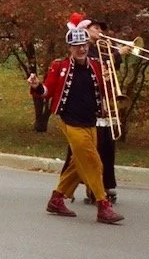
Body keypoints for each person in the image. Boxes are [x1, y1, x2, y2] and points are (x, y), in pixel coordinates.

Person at [28, 27, 124, 224]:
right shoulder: (59, 66)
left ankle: (56, 199)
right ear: (70, 48)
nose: (81, 49)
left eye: (84, 45)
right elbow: (47, 91)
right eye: (76, 46)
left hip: (91, 120)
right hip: (70, 121)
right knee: (94, 162)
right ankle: (103, 205)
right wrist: (36, 85)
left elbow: (105, 94)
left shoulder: (96, 65)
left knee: (77, 163)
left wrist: (107, 82)